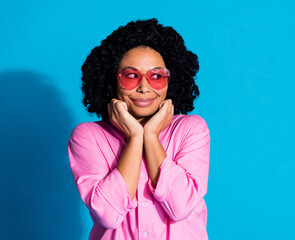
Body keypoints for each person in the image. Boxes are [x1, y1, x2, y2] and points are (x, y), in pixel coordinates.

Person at [68, 18, 210, 240]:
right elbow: (107, 215)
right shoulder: (88, 136)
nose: (144, 87)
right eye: (131, 76)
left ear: (170, 81)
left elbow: (181, 207)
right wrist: (135, 137)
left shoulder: (191, 130)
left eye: (156, 76)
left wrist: (151, 136)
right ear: (112, 80)